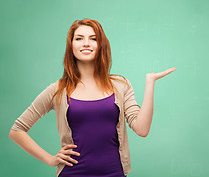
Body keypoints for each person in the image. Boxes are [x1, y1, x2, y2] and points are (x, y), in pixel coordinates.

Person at [9, 18, 176, 176]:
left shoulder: (120, 85)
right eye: (79, 38)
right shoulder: (58, 89)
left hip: (114, 173)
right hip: (72, 174)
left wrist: (150, 83)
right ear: (71, 45)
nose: (86, 43)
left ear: (100, 45)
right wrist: (51, 159)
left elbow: (142, 129)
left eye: (93, 38)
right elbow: (17, 130)